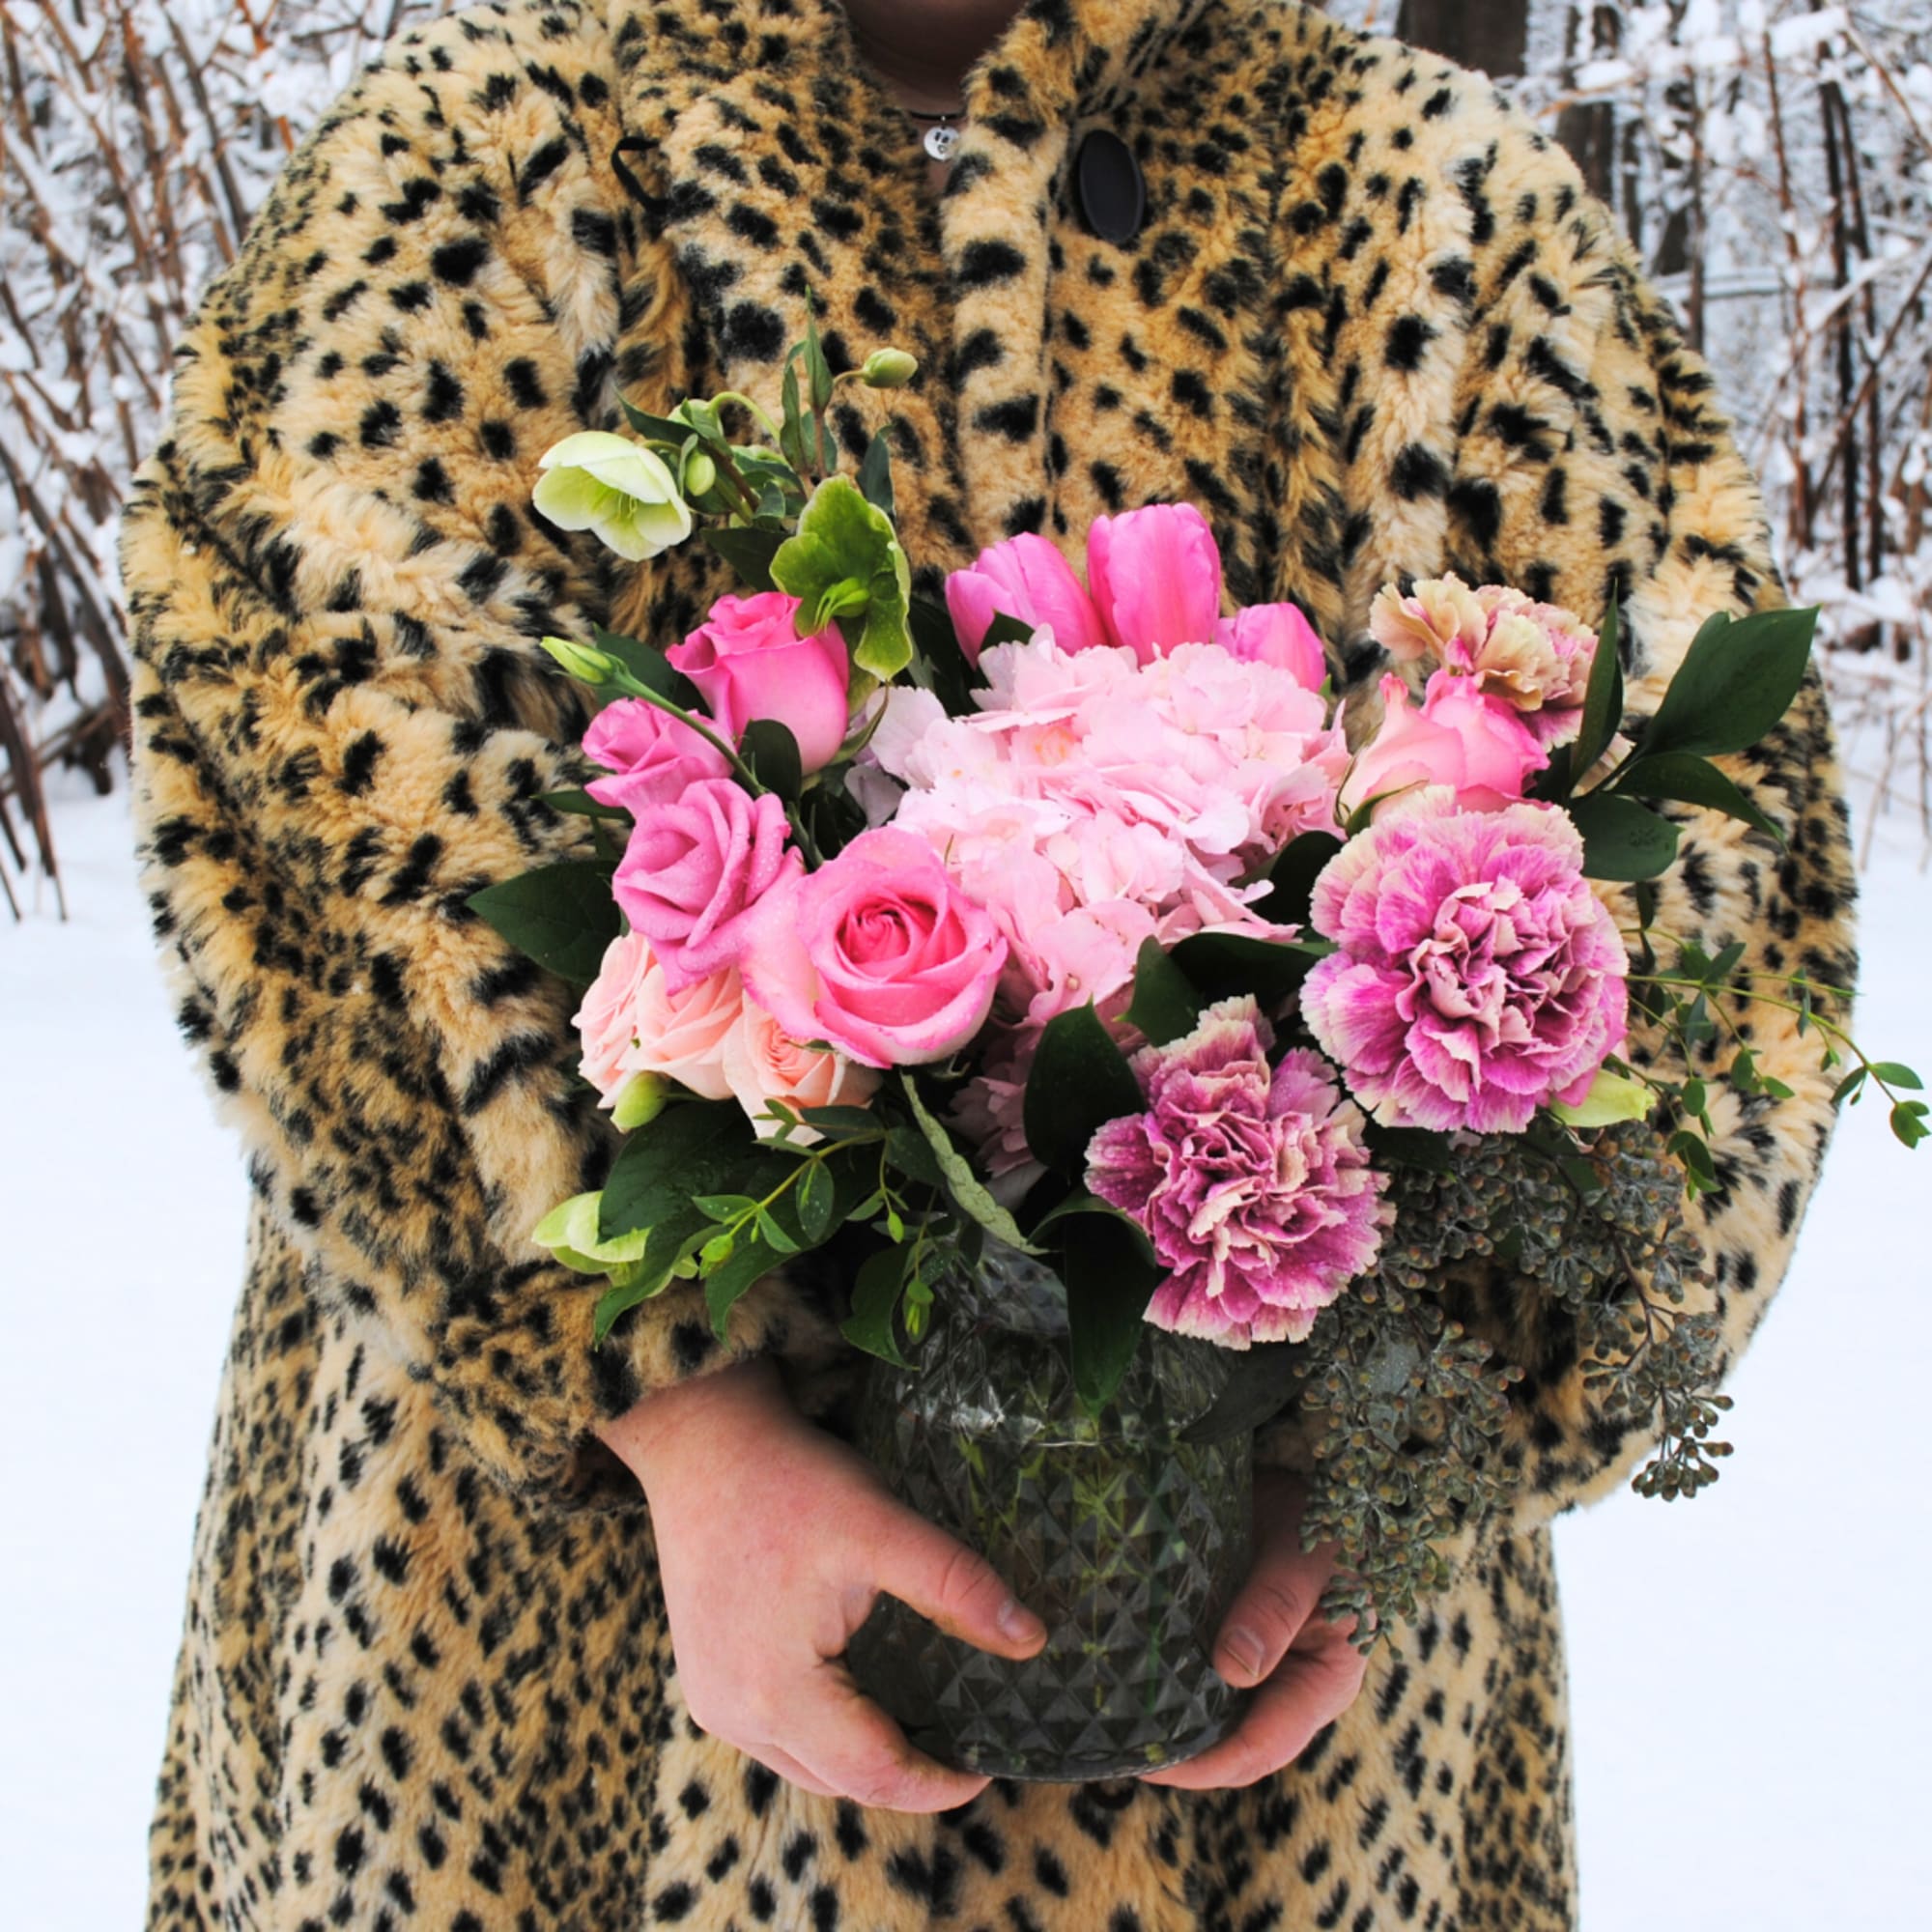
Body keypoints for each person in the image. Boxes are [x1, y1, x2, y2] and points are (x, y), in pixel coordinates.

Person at [125, 0, 1856, 1926]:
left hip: (1276, 1745)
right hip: (554, 1680)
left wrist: (1408, 1451)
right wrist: (671, 1416)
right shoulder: (494, 149)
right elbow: (308, 753)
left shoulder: (1437, 200)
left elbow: (1708, 853)